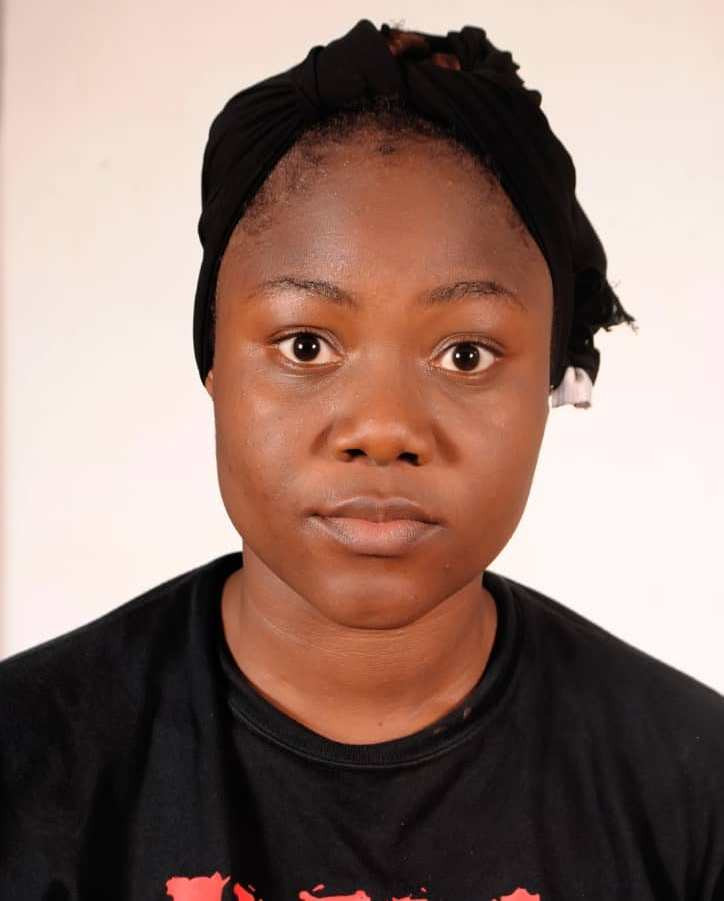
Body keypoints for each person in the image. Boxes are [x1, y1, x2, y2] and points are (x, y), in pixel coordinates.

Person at [1, 18, 722, 901]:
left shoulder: (692, 795)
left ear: (549, 378)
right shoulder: (27, 765)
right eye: (306, 345)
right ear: (214, 364)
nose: (383, 428)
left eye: (466, 354)